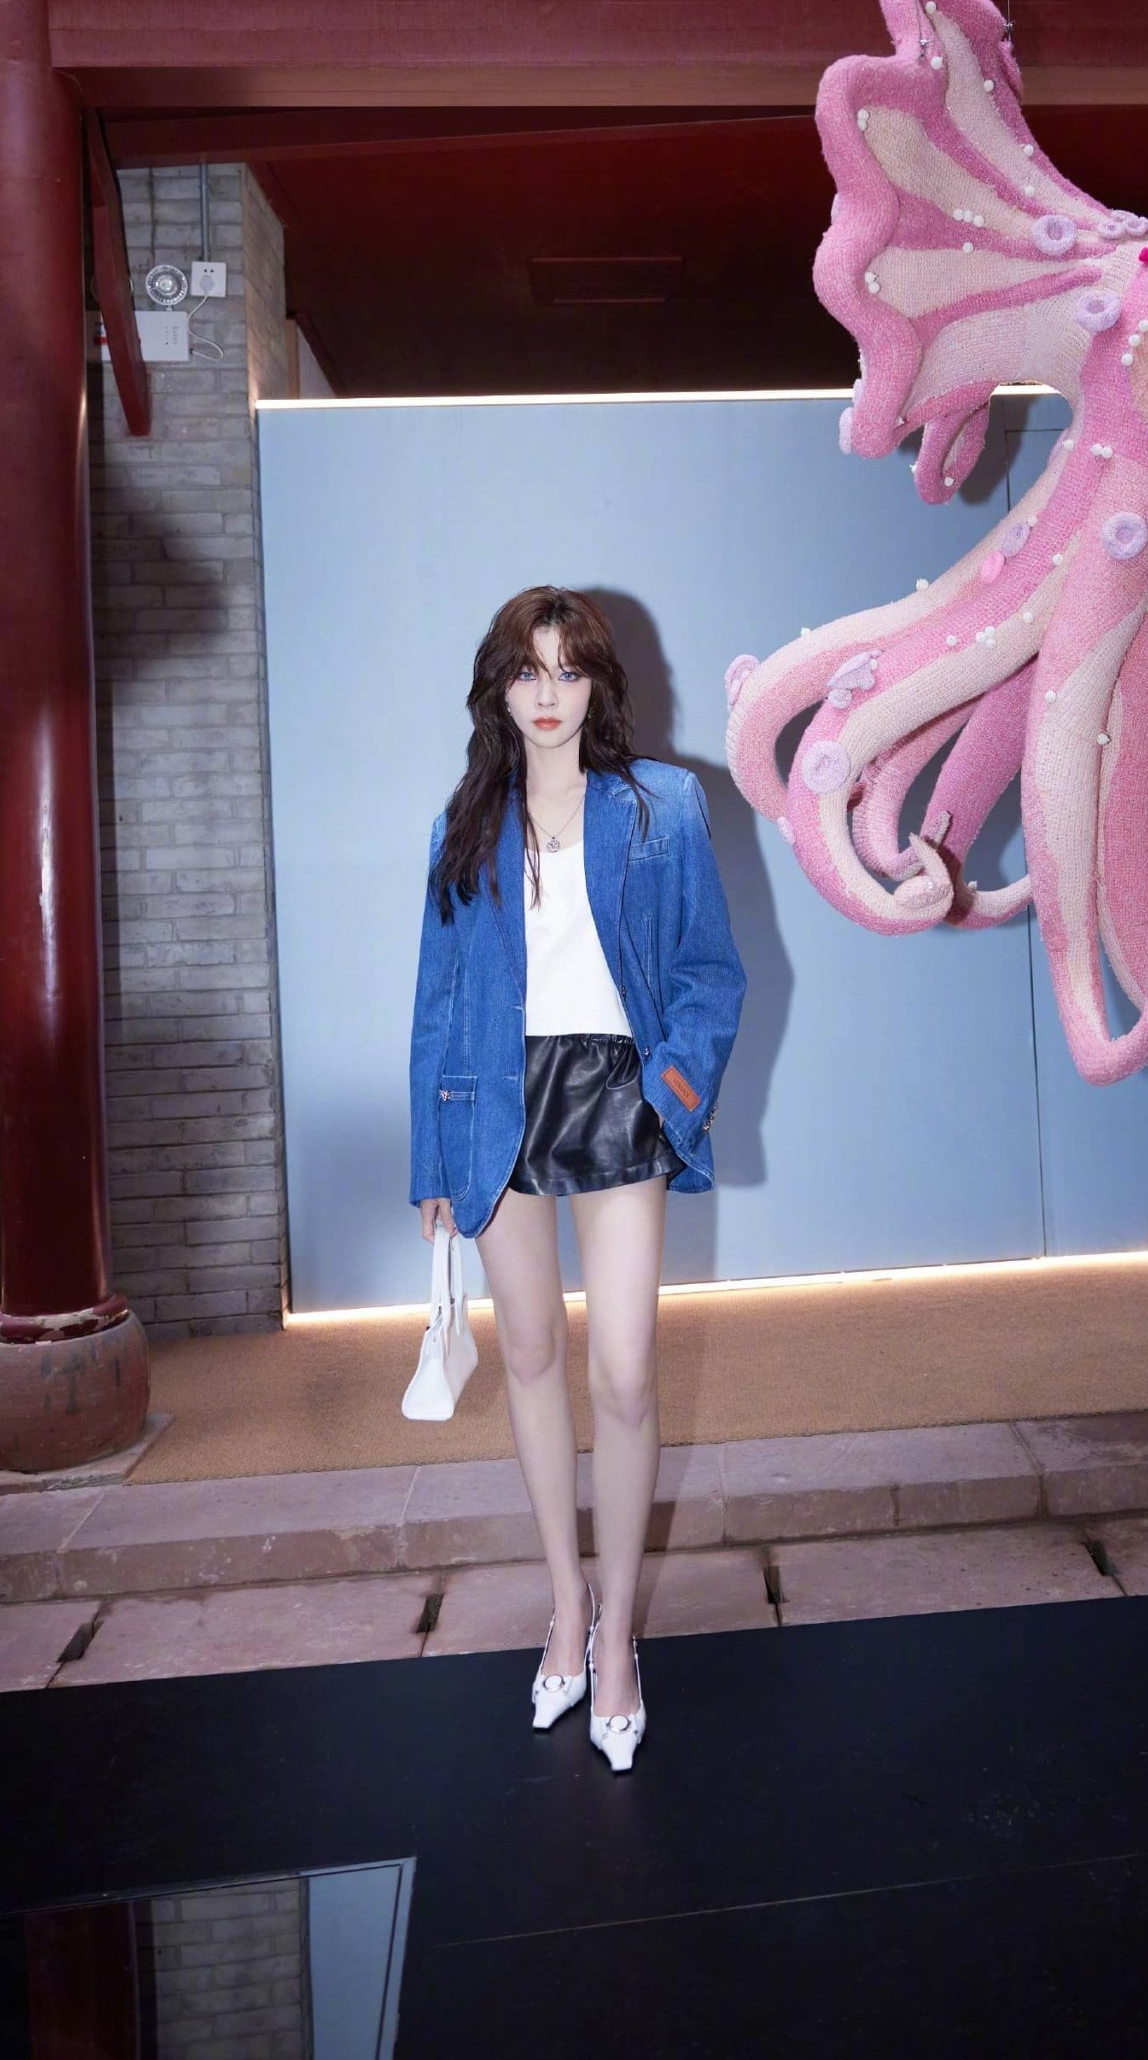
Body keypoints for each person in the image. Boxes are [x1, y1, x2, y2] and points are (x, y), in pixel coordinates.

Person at [410, 588, 744, 1771]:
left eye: (566, 670)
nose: (546, 695)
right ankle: (567, 1606)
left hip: (617, 1093)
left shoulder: (661, 805)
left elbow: (710, 971)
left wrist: (674, 1088)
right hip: (494, 1102)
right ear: (498, 688)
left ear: (597, 681)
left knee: (626, 1371)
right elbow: (438, 999)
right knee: (532, 1353)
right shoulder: (466, 820)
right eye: (526, 671)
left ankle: (618, 1638)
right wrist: (433, 1157)